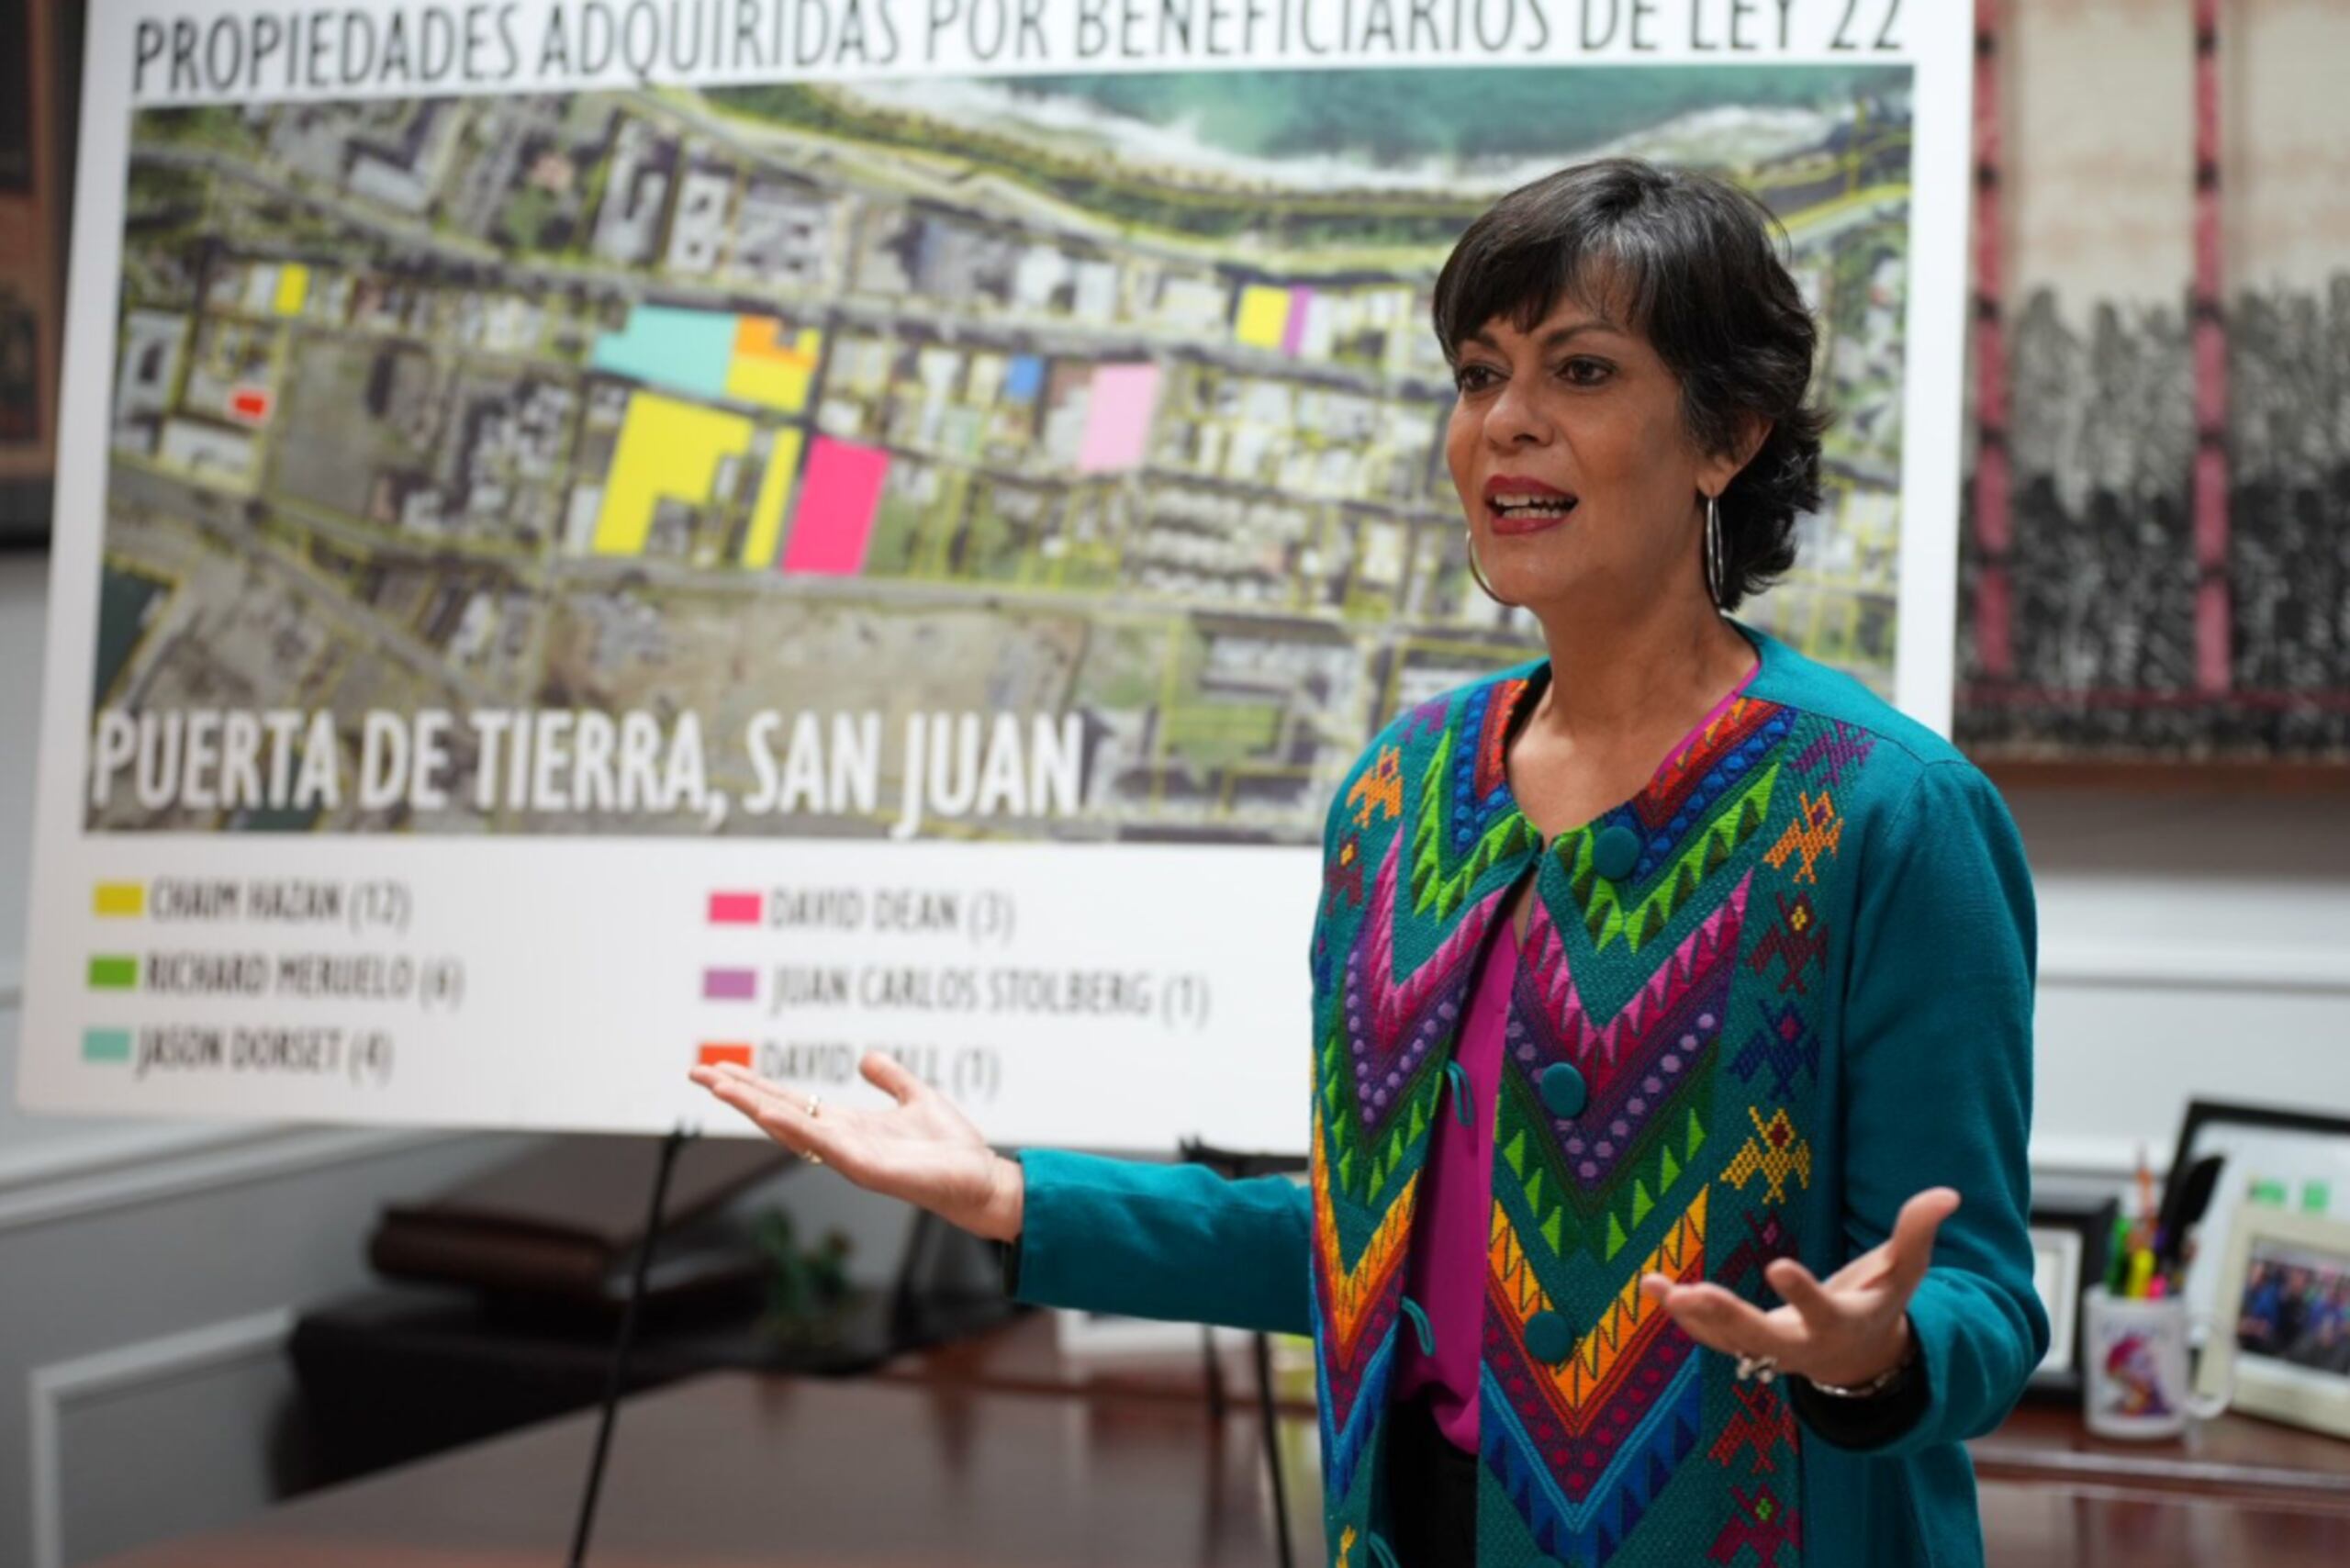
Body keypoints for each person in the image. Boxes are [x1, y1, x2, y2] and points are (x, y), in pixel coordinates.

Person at [694, 157, 2046, 1568]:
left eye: (1580, 373)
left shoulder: (1886, 809)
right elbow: (1362, 1248)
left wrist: (1869, 1353)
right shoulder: (1406, 794)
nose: (1506, 426)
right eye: (1477, 375)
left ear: (1729, 437)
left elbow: (1984, 1301)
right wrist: (1015, 1197)